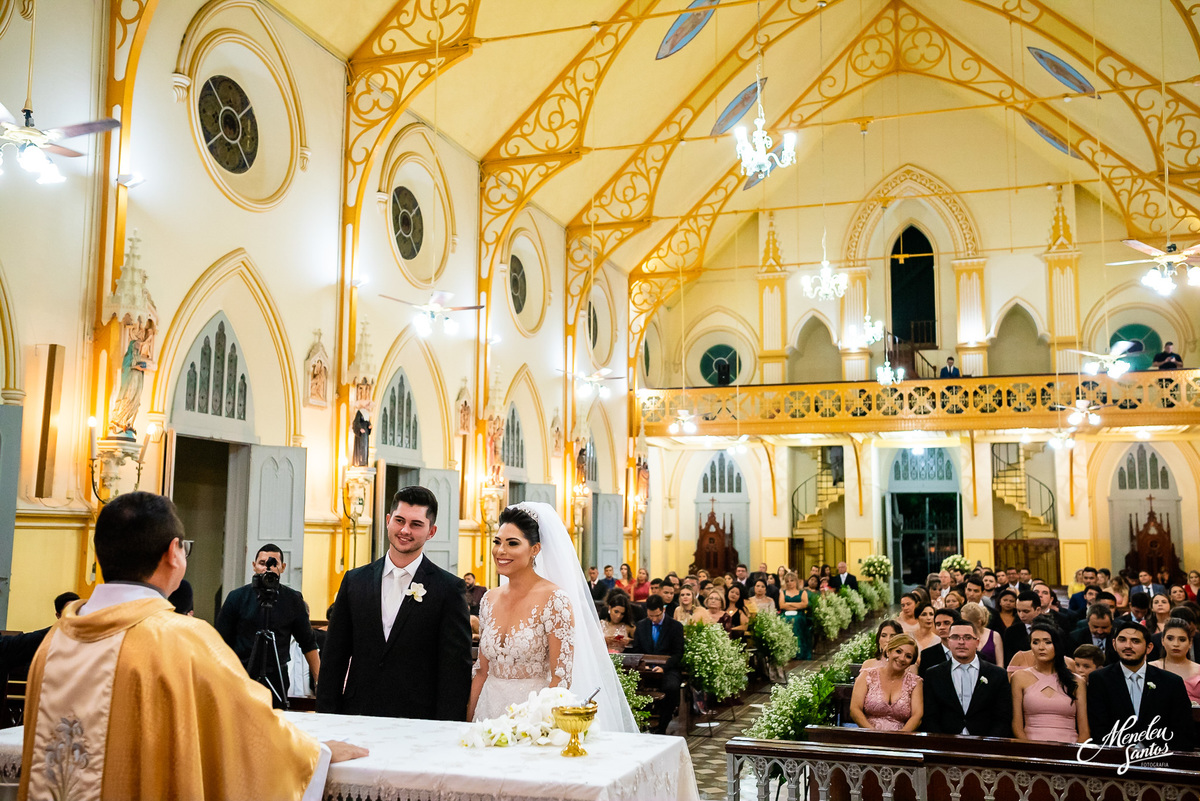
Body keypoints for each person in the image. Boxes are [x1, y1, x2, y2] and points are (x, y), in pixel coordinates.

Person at [18, 492, 367, 800]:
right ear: (174, 553)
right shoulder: (181, 639)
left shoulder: (57, 640)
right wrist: (316, 753)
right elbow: (252, 730)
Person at [468, 502, 636, 732]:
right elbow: (482, 670)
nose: (500, 551)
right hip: (486, 715)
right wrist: (468, 722)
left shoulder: (554, 600)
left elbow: (561, 678)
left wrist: (535, 727)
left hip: (533, 718)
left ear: (535, 549)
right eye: (497, 542)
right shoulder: (489, 599)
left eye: (512, 543)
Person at [318, 486, 473, 720]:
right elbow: (334, 658)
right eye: (399, 520)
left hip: (419, 719)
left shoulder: (448, 589)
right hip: (358, 713)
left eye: (416, 524)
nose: (405, 530)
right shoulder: (354, 581)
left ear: (431, 531)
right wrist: (327, 718)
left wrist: (447, 729)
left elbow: (454, 671)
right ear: (388, 521)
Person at [216, 543, 320, 705]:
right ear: (254, 566)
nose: (267, 569)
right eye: (262, 563)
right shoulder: (237, 597)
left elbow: (307, 642)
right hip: (241, 673)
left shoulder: (293, 600)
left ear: (283, 567)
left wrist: (319, 681)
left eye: (273, 564)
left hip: (277, 676)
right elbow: (220, 641)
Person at [1086, 620, 1194, 752]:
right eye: (1122, 640)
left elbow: (1183, 729)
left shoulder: (1171, 682)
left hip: (1161, 760)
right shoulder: (1100, 679)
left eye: (1135, 641)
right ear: (1114, 644)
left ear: (1149, 647)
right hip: (1115, 759)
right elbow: (1098, 727)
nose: (1128, 646)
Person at [921, 622, 1012, 737]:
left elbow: (1003, 717)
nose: (961, 642)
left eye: (967, 638)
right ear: (948, 642)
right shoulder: (933, 674)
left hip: (986, 743)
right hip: (945, 744)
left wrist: (988, 744)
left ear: (977, 642)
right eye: (955, 637)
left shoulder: (997, 675)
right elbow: (930, 716)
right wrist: (943, 744)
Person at [1010, 623, 1089, 744]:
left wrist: (1073, 754)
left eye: (1047, 642)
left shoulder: (1077, 681)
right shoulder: (1019, 677)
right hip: (1030, 749)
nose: (1041, 647)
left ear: (1057, 645)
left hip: (1069, 750)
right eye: (1035, 642)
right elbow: (1017, 725)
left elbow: (1084, 731)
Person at [630, 595, 685, 734]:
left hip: (668, 668)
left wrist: (664, 668)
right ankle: (642, 725)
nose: (654, 619)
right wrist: (644, 666)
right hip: (646, 668)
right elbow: (637, 650)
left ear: (663, 610)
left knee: (671, 687)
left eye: (657, 616)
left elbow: (678, 653)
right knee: (633, 687)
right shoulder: (641, 626)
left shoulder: (675, 627)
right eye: (650, 616)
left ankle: (662, 726)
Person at [850, 633, 924, 731]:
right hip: (868, 736)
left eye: (908, 656)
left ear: (911, 661)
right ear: (888, 652)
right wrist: (873, 734)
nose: (902, 658)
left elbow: (917, 716)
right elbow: (855, 709)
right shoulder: (866, 675)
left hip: (901, 740)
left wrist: (898, 738)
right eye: (898, 651)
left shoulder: (915, 682)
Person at [1149, 618, 1200, 704]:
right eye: (1170, 638)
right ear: (1162, 641)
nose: (1176, 644)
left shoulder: (1199, 670)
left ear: (1190, 643)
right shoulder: (1150, 668)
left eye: (1182, 639)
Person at [779, 571, 812, 659]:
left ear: (796, 581)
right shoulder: (783, 592)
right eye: (787, 581)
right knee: (785, 620)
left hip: (799, 614)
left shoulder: (802, 592)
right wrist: (797, 605)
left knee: (797, 621)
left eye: (792, 580)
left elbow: (804, 604)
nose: (790, 583)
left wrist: (789, 604)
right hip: (785, 614)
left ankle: (798, 651)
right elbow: (782, 605)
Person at [1002, 591, 1040, 666]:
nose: (1021, 615)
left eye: (1026, 611)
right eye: (1018, 611)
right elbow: (1009, 661)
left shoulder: (1052, 630)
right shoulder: (1011, 632)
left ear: (1038, 610)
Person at [918, 608, 960, 677]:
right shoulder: (927, 655)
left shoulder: (967, 651)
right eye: (938, 624)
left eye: (946, 623)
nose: (941, 627)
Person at [961, 602, 1004, 666]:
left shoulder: (995, 636)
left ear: (979, 622)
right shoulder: (960, 637)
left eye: (966, 622)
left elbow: (1000, 664)